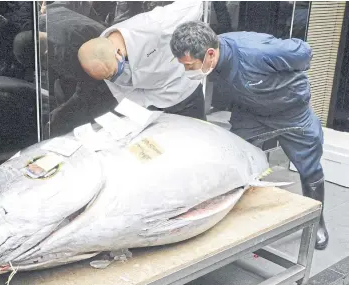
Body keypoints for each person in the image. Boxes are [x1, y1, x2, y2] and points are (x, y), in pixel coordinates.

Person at [170, 21, 329, 250]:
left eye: (190, 65)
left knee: (310, 168)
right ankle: (240, 220)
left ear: (210, 54)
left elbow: (303, 51)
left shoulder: (258, 51)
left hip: (291, 112)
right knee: (236, 159)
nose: (188, 71)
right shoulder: (212, 56)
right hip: (250, 113)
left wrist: (288, 85)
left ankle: (317, 223)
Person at [77, 0, 207, 121]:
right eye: (108, 77)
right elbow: (124, 94)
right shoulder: (102, 58)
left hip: (184, 92)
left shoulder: (153, 26)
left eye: (112, 74)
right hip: (154, 104)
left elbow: (193, 6)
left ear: (117, 53)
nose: (112, 78)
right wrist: (136, 119)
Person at [13, 6, 117, 137]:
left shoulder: (64, 54)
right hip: (108, 36)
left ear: (44, 55)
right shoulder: (48, 16)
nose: (46, 67)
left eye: (44, 64)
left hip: (113, 72)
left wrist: (62, 112)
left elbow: (88, 89)